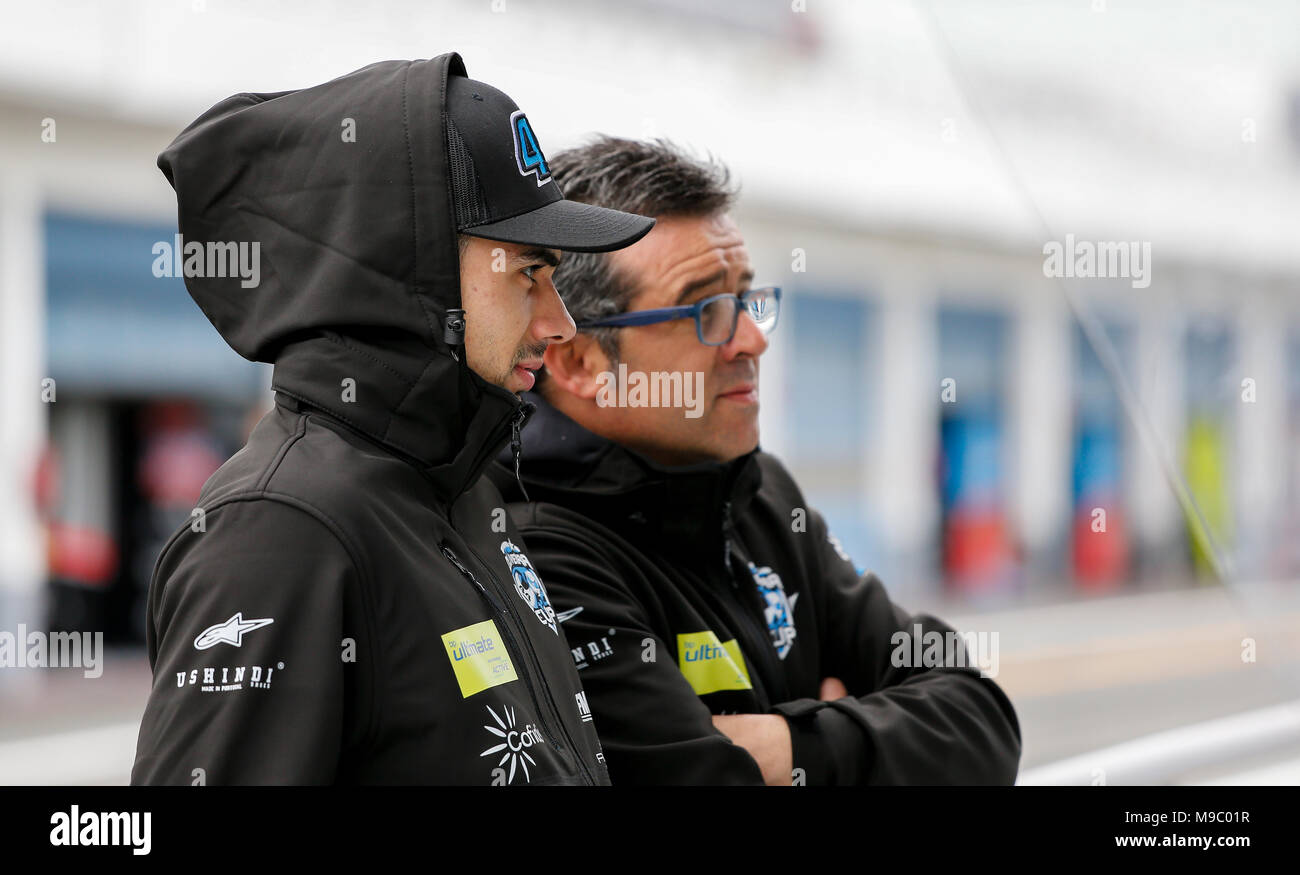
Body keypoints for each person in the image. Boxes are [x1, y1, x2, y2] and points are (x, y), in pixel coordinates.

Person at [130, 55, 654, 785]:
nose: (559, 320)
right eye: (529, 273)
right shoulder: (281, 530)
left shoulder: (458, 487)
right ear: (414, 265)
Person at [490, 137, 1021, 785]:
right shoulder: (532, 553)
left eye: (747, 299)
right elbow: (700, 777)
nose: (751, 340)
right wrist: (860, 729)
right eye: (706, 310)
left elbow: (980, 715)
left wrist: (789, 744)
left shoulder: (759, 493)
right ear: (579, 362)